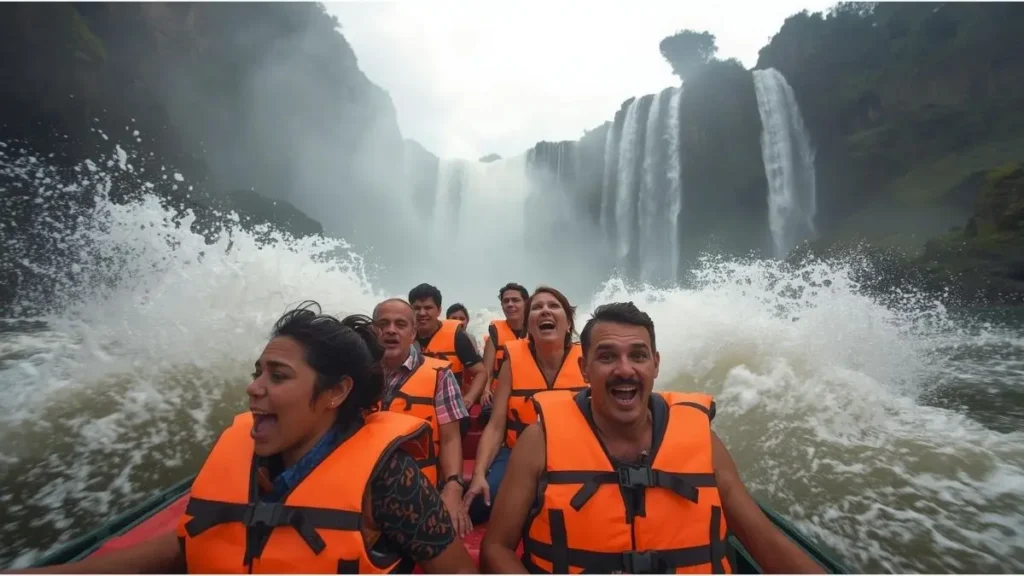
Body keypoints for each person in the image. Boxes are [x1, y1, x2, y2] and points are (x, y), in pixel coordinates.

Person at [22, 301, 475, 574]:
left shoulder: (389, 479)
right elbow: (194, 545)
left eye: (278, 376)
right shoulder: (242, 452)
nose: (253, 388)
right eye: (257, 372)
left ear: (337, 391)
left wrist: (454, 485)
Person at [479, 302, 826, 574]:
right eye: (607, 356)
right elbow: (496, 549)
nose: (625, 369)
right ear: (584, 368)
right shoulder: (539, 441)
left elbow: (764, 541)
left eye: (638, 356)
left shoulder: (702, 441)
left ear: (655, 365)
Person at [462, 286, 587, 526]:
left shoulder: (587, 363)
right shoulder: (513, 363)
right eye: (537, 307)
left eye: (553, 306)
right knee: (482, 504)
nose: (545, 311)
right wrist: (478, 474)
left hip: (573, 453)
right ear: (529, 326)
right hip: (516, 452)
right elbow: (496, 425)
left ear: (568, 324)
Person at [373, 298, 472, 538]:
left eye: (400, 324)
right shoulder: (356, 374)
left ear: (413, 333)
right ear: (372, 331)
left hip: (421, 491)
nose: (391, 330)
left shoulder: (440, 375)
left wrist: (453, 487)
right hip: (367, 486)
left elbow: (450, 439)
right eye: (383, 324)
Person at [409, 283, 487, 409]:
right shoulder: (401, 335)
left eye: (428, 308)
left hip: (448, 407)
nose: (422, 313)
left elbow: (480, 372)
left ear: (439, 310)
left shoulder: (458, 336)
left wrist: (470, 398)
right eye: (417, 308)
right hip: (412, 406)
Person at [478, 283, 528, 411]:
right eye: (506, 301)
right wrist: (486, 390)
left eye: (516, 300)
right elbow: (487, 370)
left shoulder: (537, 331)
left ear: (526, 303)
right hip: (499, 393)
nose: (510, 304)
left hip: (528, 391)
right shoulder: (495, 335)